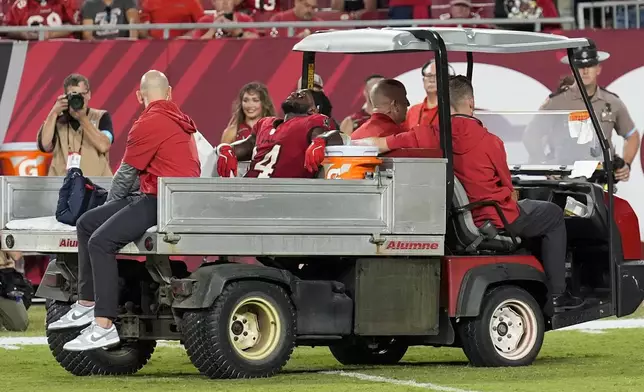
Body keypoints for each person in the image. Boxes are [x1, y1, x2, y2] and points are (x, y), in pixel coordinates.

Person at [47, 70, 202, 351]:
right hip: (164, 196)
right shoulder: (178, 117)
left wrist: (111, 208)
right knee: (86, 223)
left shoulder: (149, 121)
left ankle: (104, 324)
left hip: (161, 201)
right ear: (170, 93)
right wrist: (110, 211)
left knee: (101, 241)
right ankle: (85, 302)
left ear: (139, 96)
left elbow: (125, 176)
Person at [448, 75, 583, 311]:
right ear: (470, 103)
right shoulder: (489, 141)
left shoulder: (435, 135)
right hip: (492, 217)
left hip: (460, 219)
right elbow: (507, 187)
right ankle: (558, 294)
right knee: (551, 213)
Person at [538, 40, 640, 181]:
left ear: (598, 68)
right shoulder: (556, 102)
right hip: (564, 182)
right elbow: (532, 135)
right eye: (580, 66)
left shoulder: (612, 102)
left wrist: (626, 164)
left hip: (601, 182)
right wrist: (545, 166)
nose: (585, 71)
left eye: (590, 65)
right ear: (573, 69)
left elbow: (632, 135)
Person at [216, 89, 343, 178]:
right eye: (296, 92)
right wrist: (227, 149)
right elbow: (247, 145)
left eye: (301, 96)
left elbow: (338, 136)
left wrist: (321, 140)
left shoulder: (315, 121)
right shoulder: (265, 123)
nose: (294, 93)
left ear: (313, 110)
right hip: (250, 189)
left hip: (283, 196)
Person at [37, 74, 114, 177]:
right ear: (66, 97)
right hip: (62, 187)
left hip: (96, 187)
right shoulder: (57, 119)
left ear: (89, 94)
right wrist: (54, 113)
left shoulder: (101, 116)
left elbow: (104, 145)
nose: (78, 99)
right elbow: (45, 146)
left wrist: (82, 118)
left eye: (82, 94)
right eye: (73, 95)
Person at [2, 0, 79, 40]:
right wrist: (23, 34)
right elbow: (7, 28)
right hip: (31, 50)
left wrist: (50, 35)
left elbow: (72, 25)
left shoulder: (63, 2)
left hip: (63, 47)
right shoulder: (21, 5)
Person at [186, 0, 259, 39]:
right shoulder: (205, 21)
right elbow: (196, 46)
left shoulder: (244, 19)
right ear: (213, 2)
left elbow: (256, 43)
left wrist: (238, 32)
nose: (225, 2)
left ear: (234, 2)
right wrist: (212, 30)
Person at [139, 0, 204, 39]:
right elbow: (143, 29)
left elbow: (204, 24)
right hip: (154, 48)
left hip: (184, 48)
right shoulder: (149, 2)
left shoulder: (191, 1)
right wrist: (152, 42)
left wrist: (186, 37)